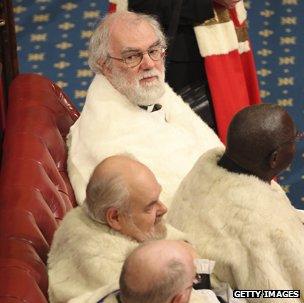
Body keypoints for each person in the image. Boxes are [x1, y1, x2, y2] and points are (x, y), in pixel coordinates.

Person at [67, 11, 223, 207]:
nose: (149, 64)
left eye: (154, 50)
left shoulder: (147, 92)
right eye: (132, 56)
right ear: (104, 65)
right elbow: (167, 211)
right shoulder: (110, 142)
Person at [168, 104, 304, 302]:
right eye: (294, 139)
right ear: (274, 159)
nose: (297, 141)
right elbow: (277, 294)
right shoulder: (261, 225)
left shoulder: (207, 166)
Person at [48, 155, 187, 303]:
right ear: (115, 218)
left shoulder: (129, 225)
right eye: (150, 206)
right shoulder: (104, 268)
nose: (163, 209)